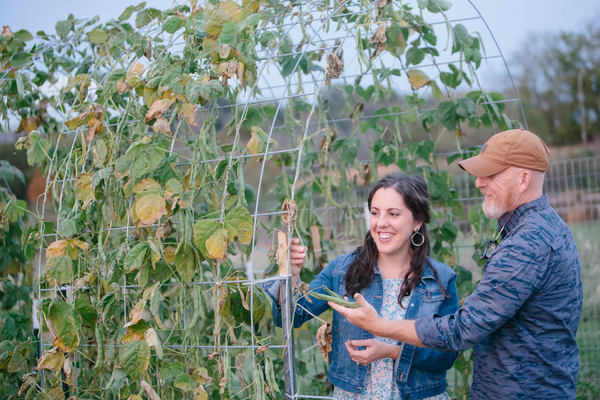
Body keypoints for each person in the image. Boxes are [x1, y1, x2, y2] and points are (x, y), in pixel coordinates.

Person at [329, 129, 583, 399]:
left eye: (491, 174)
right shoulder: (545, 226)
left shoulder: (527, 245)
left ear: (523, 180)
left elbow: (461, 329)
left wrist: (379, 326)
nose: (478, 183)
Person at [263, 173, 459, 400]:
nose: (381, 223)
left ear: (418, 220)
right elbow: (290, 316)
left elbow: (447, 354)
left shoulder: (441, 279)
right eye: (375, 213)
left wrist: (392, 352)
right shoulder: (342, 270)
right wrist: (292, 277)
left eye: (393, 214)